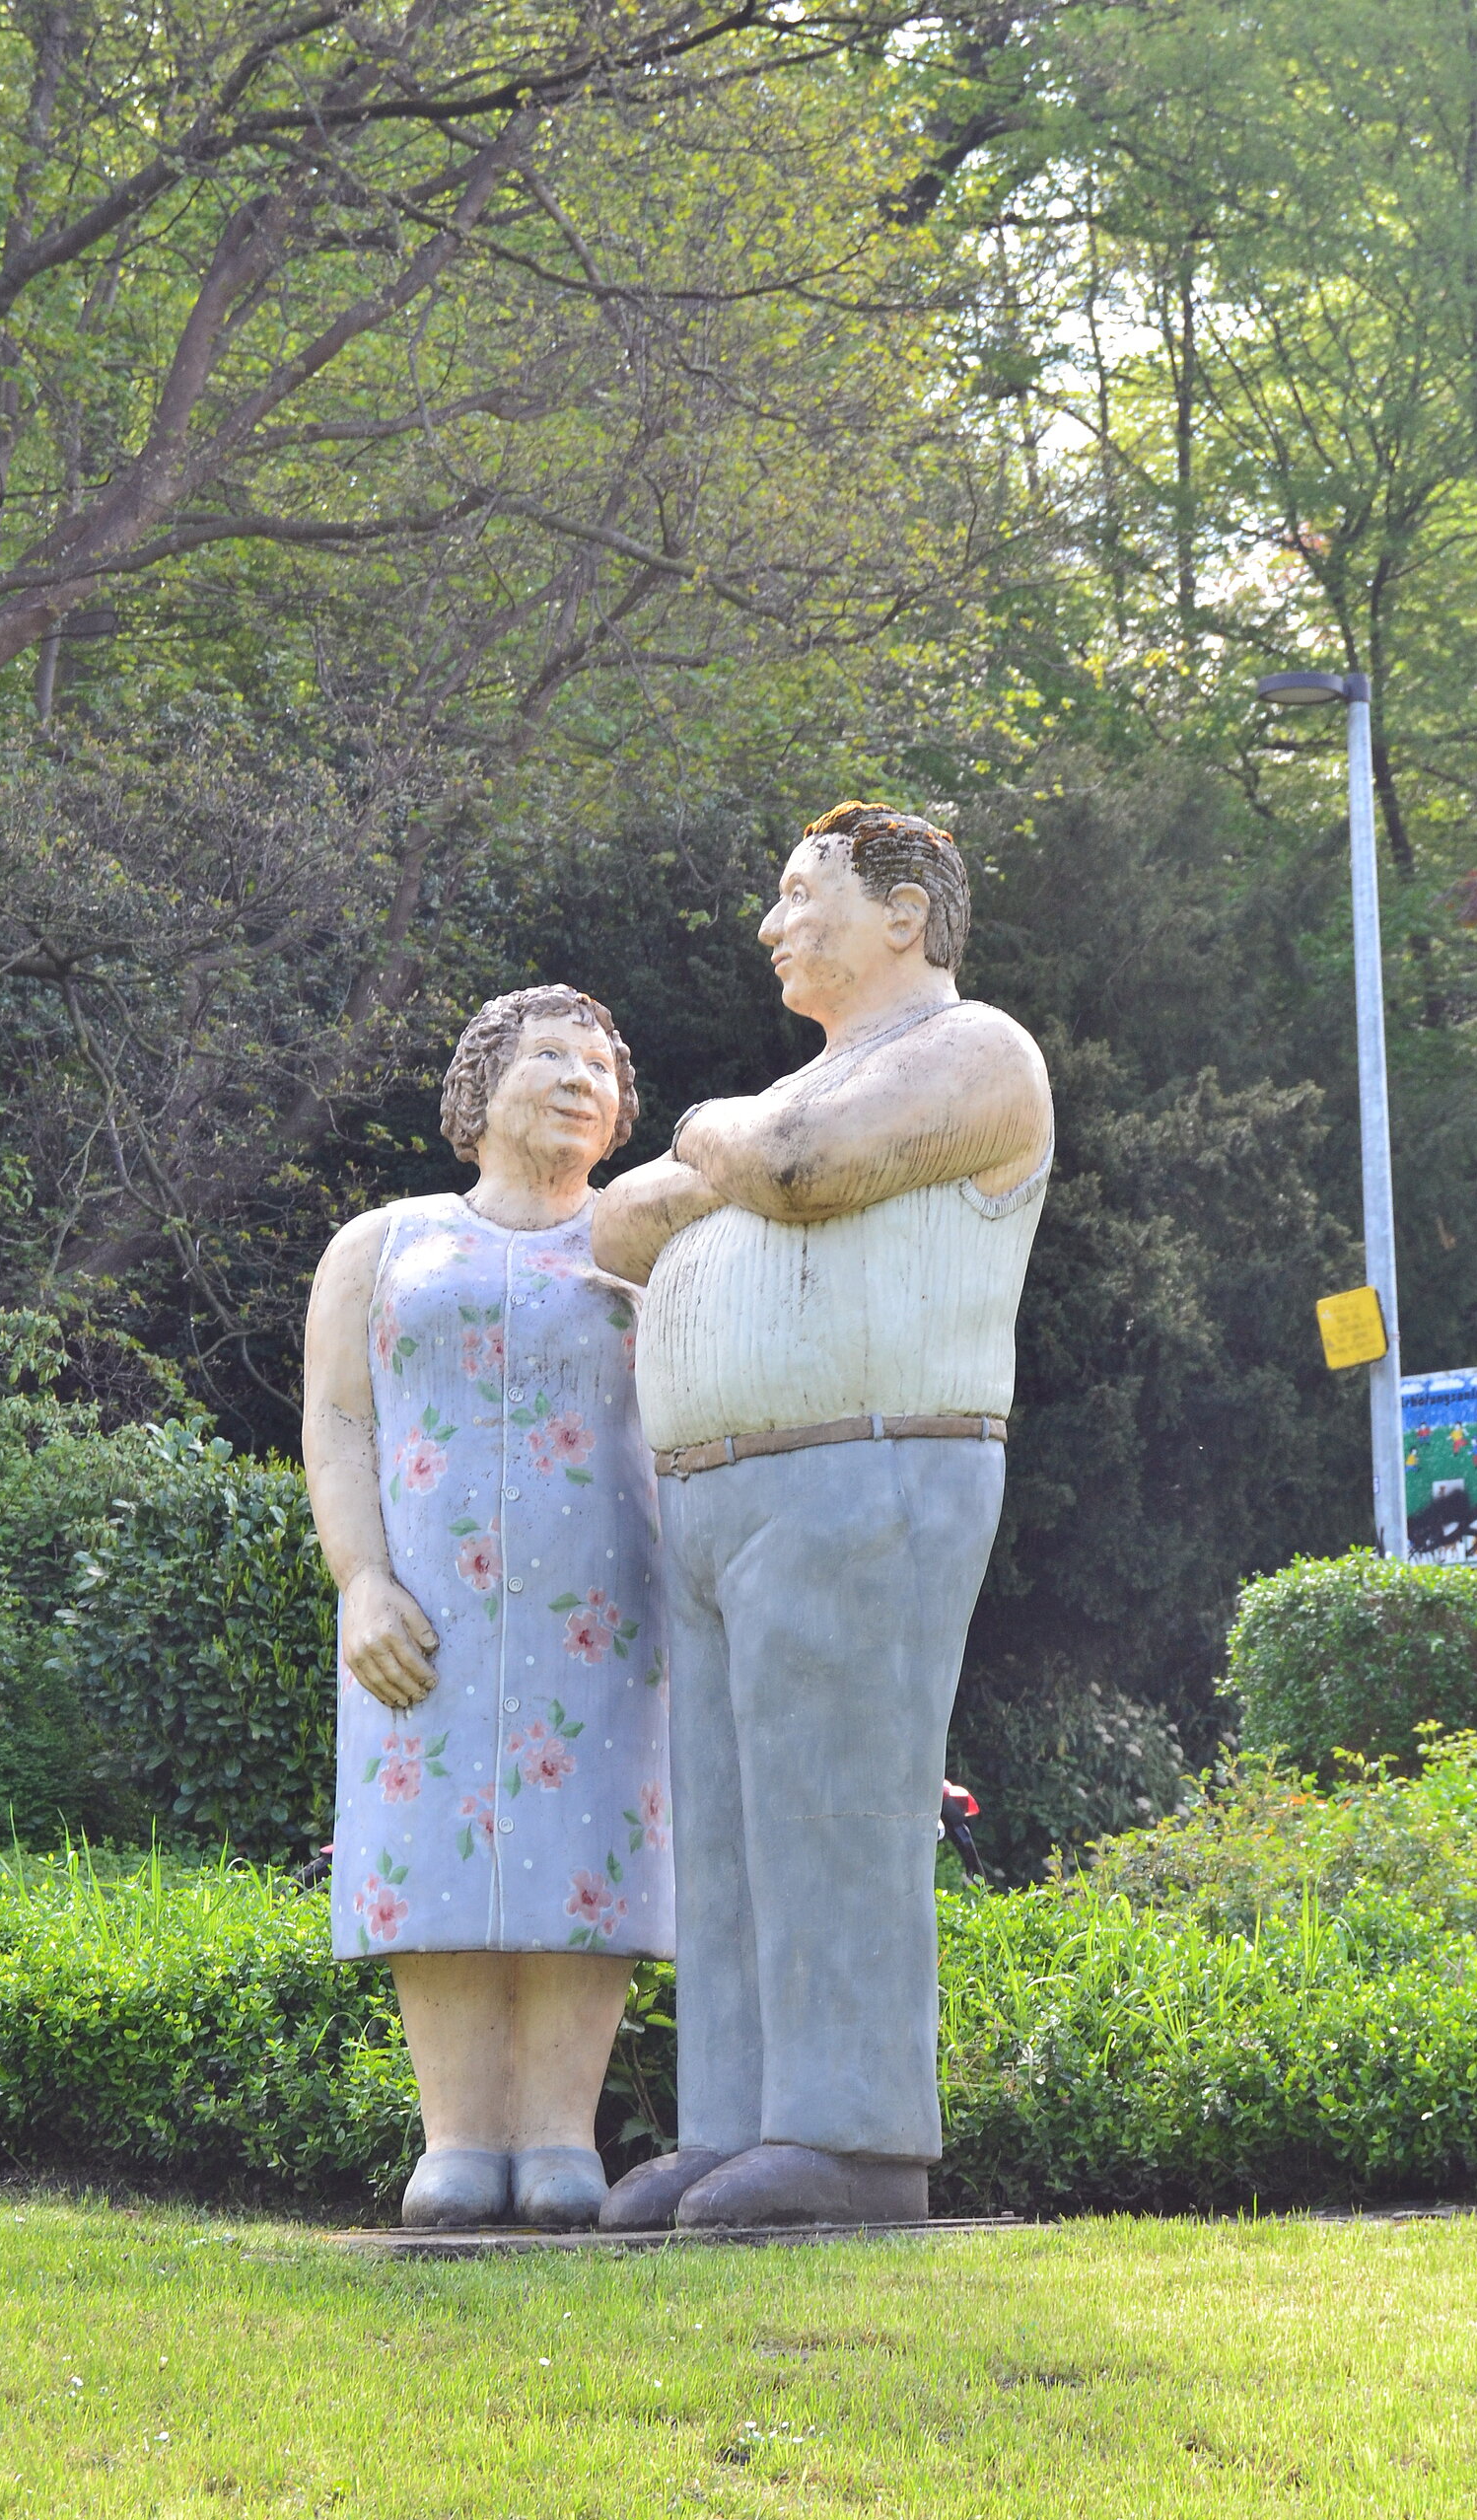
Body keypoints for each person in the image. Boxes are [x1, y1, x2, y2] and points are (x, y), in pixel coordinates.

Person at [592, 802, 1050, 2230]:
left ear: (905, 911)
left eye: (804, 895)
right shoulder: (808, 1093)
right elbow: (614, 1226)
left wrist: (720, 1141)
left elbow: (793, 1168)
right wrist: (740, 1152)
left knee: (834, 1804)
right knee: (727, 1828)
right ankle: (736, 2126)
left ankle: (853, 2135)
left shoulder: (974, 1054)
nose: (773, 923)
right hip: (723, 1493)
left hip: (875, 1472)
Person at [303, 986, 672, 2230]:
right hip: (428, 1613)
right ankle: (456, 2139)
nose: (579, 1080)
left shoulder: (641, 1246)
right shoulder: (384, 1243)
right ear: (477, 1091)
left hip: (604, 1608)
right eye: (549, 1057)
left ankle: (562, 2138)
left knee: (586, 1852)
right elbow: (342, 1421)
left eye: (601, 1068)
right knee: (437, 1850)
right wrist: (361, 1580)